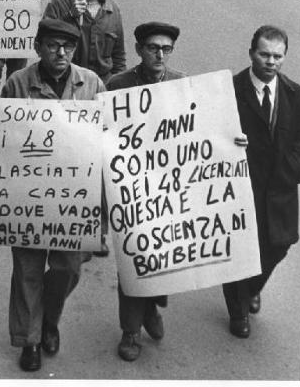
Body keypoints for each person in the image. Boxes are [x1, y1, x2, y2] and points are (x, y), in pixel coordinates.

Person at [0, 18, 105, 372]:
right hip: (27, 200)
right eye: (53, 45)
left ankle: (50, 317)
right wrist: (1, 199)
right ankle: (31, 340)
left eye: (68, 47)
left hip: (74, 205)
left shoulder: (92, 84)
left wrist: (101, 206)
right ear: (38, 48)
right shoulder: (18, 84)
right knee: (27, 270)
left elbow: (108, 142)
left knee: (68, 268)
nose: (61, 53)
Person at [106, 21, 185, 361]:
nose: (160, 54)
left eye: (166, 49)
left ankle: (152, 306)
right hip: (130, 190)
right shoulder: (118, 85)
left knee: (163, 259)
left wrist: (232, 141)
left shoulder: (182, 85)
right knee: (131, 262)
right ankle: (130, 332)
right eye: (153, 47)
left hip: (169, 192)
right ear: (139, 50)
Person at [222, 25, 300, 339]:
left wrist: (292, 171)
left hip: (280, 189)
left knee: (279, 246)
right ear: (251, 53)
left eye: (277, 56)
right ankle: (238, 309)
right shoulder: (230, 90)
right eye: (264, 54)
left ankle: (253, 287)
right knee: (237, 250)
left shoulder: (296, 95)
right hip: (241, 188)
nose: (270, 61)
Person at [43, 0, 126, 255]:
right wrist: (70, 17)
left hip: (97, 95)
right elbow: (45, 44)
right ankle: (62, 221)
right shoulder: (61, 3)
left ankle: (98, 230)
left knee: (101, 167)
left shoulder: (112, 11)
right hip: (65, 95)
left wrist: (111, 92)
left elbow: (119, 60)